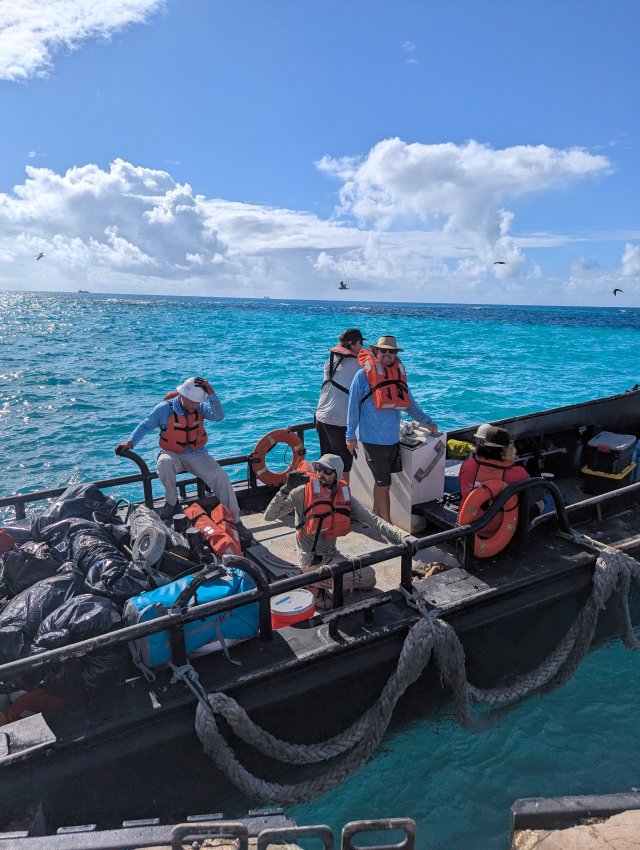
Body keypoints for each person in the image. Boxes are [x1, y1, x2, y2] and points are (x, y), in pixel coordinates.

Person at [263, 453, 412, 608]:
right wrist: (286, 489)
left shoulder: (343, 495)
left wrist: (403, 535)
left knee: (370, 580)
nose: (321, 474)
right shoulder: (301, 492)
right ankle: (310, 581)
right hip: (310, 559)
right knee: (353, 584)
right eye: (318, 468)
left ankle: (316, 582)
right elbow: (269, 516)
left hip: (331, 555)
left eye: (328, 471)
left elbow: (372, 520)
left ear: (337, 475)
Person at [115, 377, 239, 521]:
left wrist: (211, 392)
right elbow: (145, 426)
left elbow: (218, 416)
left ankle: (236, 520)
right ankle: (172, 503)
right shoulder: (164, 409)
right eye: (192, 402)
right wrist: (130, 443)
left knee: (221, 477)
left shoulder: (199, 407)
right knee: (164, 463)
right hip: (172, 453)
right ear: (182, 396)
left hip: (197, 454)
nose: (195, 405)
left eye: (198, 402)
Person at [346, 335, 437, 522]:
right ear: (376, 351)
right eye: (383, 350)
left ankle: (374, 517)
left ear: (396, 354)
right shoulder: (362, 376)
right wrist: (350, 436)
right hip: (372, 440)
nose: (387, 354)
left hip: (392, 439)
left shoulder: (398, 375)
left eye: (392, 351)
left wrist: (427, 421)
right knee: (384, 484)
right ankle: (388, 525)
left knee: (381, 483)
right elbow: (352, 407)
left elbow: (410, 404)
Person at [458, 425, 542, 536]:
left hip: (468, 526)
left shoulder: (467, 466)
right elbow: (527, 498)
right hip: (500, 531)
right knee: (541, 502)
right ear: (508, 450)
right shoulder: (518, 474)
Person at [315, 327, 366, 482]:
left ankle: (325, 500)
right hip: (338, 421)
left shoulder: (330, 360)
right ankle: (343, 503)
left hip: (321, 418)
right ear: (351, 344)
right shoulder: (357, 365)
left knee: (326, 463)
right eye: (360, 343)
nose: (362, 347)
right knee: (343, 467)